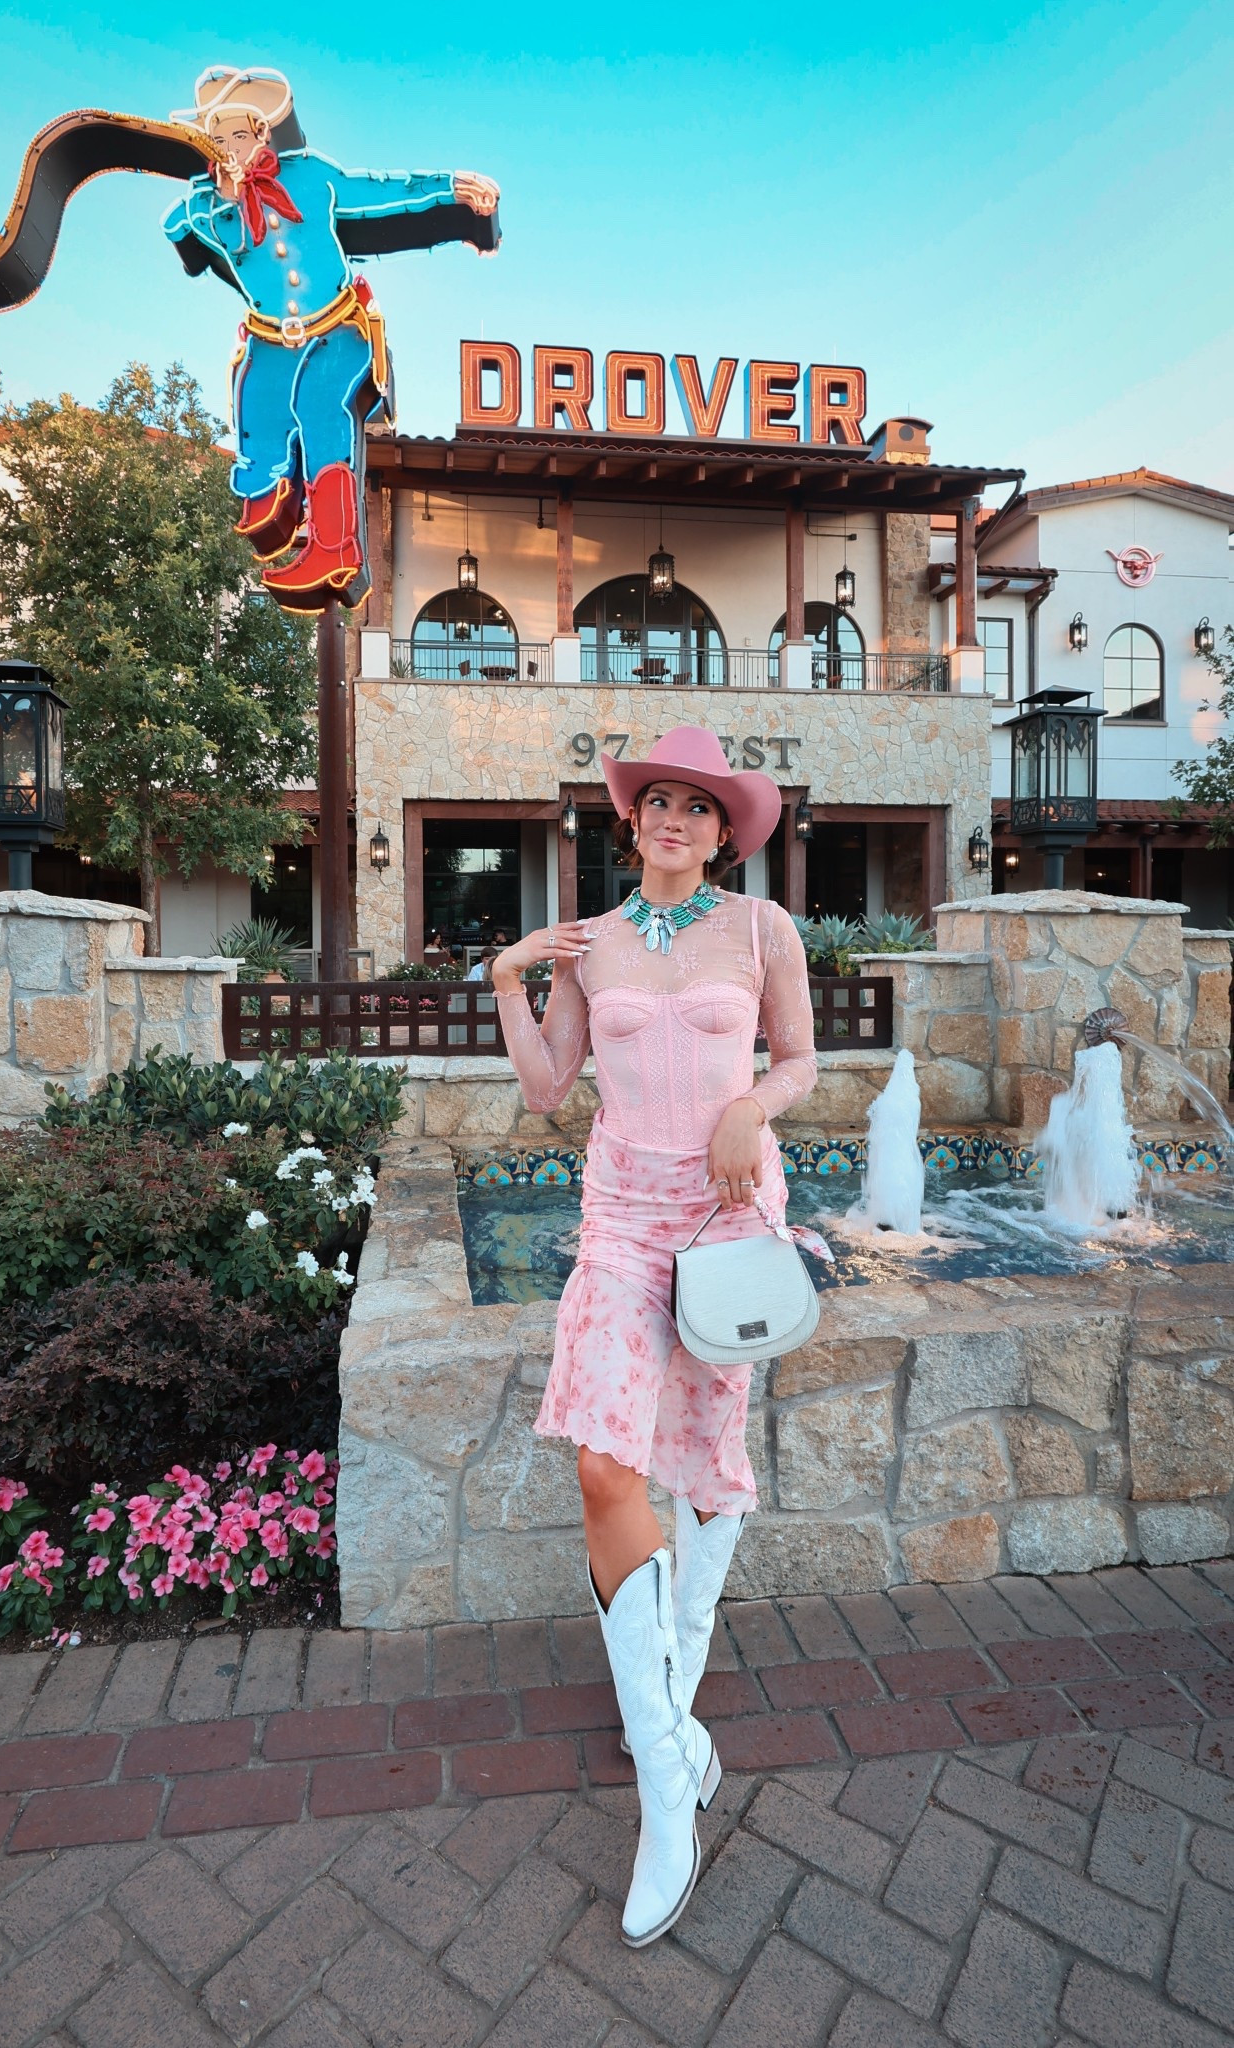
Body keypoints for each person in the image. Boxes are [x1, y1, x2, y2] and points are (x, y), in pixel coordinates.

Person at [491, 725, 816, 1948]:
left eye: (697, 804)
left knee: (706, 1457)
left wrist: (751, 1106)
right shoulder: (593, 944)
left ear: (725, 828)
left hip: (729, 1211)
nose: (673, 817)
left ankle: (669, 1700)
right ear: (629, 823)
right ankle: (666, 1779)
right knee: (603, 1464)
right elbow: (543, 1088)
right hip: (623, 1214)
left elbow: (800, 1061)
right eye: (655, 801)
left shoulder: (763, 930)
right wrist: (506, 981)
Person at [163, 66, 498, 610]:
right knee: (258, 441)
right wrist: (219, 197)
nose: (230, 149)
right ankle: (273, 501)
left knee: (319, 409)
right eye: (217, 139)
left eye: (238, 135)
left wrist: (449, 186)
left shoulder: (310, 176)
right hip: (269, 341)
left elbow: (382, 192)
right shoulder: (207, 205)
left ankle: (335, 546)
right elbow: (181, 231)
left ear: (263, 132)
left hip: (337, 329)